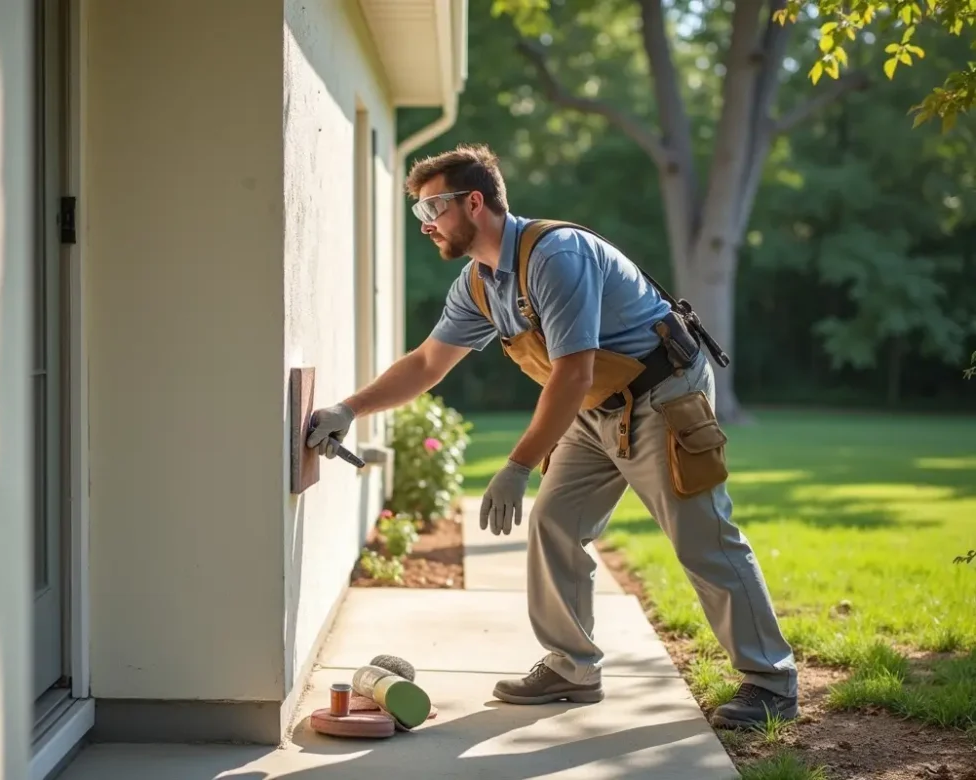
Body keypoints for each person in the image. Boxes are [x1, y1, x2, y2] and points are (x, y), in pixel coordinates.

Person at [306, 143, 798, 729]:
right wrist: (348, 408)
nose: (425, 224)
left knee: (702, 536)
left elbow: (573, 370)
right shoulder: (479, 284)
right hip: (593, 407)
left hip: (663, 393)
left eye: (432, 208)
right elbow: (427, 363)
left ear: (474, 202)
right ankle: (572, 667)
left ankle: (771, 681)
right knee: (555, 524)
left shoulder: (555, 255)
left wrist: (517, 465)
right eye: (419, 211)